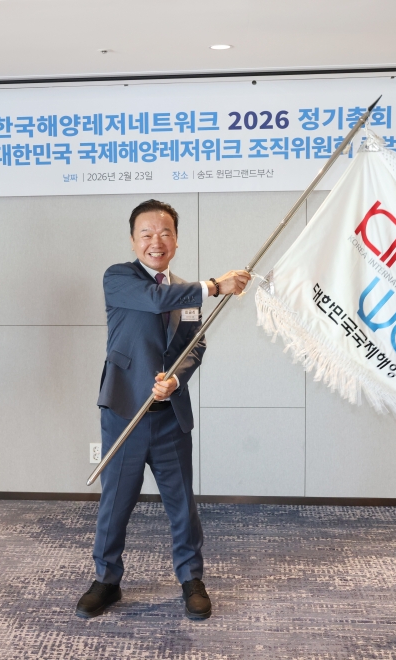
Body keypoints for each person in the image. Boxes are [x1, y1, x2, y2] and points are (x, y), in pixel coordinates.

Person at [76, 199, 250, 619]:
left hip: (170, 416)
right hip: (124, 413)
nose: (157, 241)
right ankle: (106, 580)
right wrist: (214, 285)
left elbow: (195, 345)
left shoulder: (186, 291)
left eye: (166, 233)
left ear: (176, 240)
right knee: (115, 503)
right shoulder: (119, 278)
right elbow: (155, 299)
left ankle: (191, 578)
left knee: (181, 504)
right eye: (147, 234)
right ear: (133, 240)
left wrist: (176, 380)